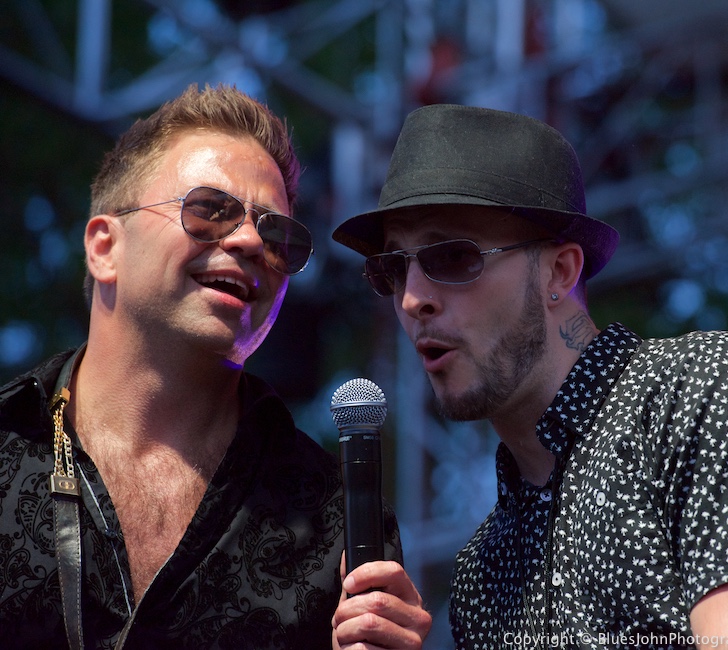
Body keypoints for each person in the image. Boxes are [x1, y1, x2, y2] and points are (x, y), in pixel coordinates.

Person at [332, 103, 728, 649]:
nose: (412, 299)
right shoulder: (482, 574)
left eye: (452, 257)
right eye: (392, 267)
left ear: (560, 271)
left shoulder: (715, 389)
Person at [0, 84, 429, 650]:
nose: (251, 239)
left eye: (278, 234)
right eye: (209, 210)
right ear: (106, 247)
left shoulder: (338, 523)